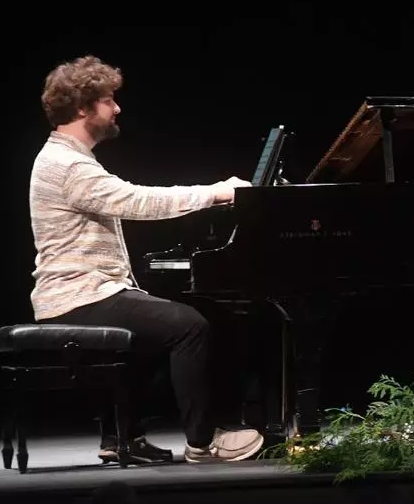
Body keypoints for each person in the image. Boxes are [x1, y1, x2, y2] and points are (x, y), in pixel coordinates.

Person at [29, 55, 264, 464]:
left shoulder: (67, 158)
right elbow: (138, 201)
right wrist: (216, 192)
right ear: (83, 108)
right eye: (108, 100)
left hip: (83, 292)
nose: (117, 108)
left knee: (168, 327)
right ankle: (202, 442)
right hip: (77, 295)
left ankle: (121, 436)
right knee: (188, 326)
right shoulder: (68, 165)